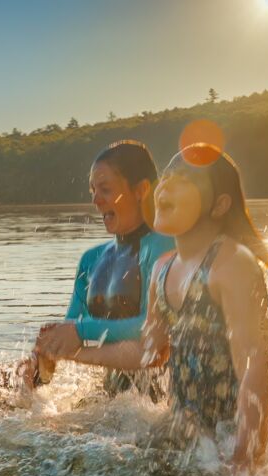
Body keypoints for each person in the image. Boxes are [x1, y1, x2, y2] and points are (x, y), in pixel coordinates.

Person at [49, 145, 268, 473]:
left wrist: (245, 463)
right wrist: (70, 353)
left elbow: (255, 366)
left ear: (219, 205)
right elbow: (147, 354)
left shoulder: (231, 263)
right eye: (168, 177)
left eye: (185, 180)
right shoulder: (162, 268)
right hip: (193, 431)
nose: (167, 186)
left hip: (250, 432)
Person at [33, 140, 175, 393]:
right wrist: (47, 353)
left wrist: (79, 332)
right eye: (92, 191)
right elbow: (72, 328)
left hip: (165, 401)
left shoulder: (164, 248)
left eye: (105, 189)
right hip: (113, 404)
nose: (96, 200)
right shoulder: (91, 259)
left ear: (141, 189)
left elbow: (151, 328)